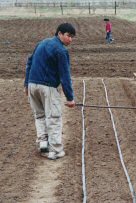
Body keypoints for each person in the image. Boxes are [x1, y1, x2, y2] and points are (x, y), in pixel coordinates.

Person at [24, 23, 76, 160]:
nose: (70, 39)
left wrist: (26, 84)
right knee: (53, 117)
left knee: (39, 116)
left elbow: (29, 62)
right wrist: (70, 98)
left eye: (72, 37)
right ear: (59, 34)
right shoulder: (61, 51)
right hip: (47, 87)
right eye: (68, 36)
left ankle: (43, 144)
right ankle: (55, 150)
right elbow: (65, 76)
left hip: (32, 86)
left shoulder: (41, 43)